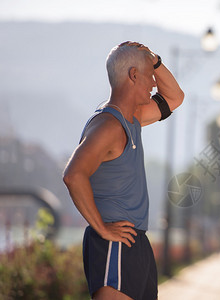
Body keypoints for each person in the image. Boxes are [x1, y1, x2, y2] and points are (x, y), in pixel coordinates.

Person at [63, 41, 184, 300]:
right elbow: (73, 175)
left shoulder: (133, 119)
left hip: (135, 242)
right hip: (113, 244)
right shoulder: (108, 125)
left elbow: (175, 98)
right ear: (133, 75)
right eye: (150, 75)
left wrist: (156, 61)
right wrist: (103, 230)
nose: (154, 83)